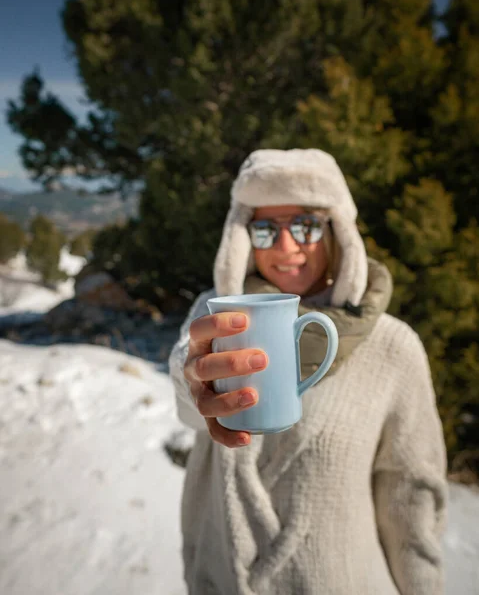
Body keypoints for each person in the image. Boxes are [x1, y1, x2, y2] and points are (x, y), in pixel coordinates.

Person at [169, 148, 447, 595]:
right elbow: (187, 402)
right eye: (264, 229)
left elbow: (411, 503)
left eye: (305, 225)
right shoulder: (214, 317)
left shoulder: (394, 349)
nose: (285, 247)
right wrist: (193, 378)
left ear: (337, 231)